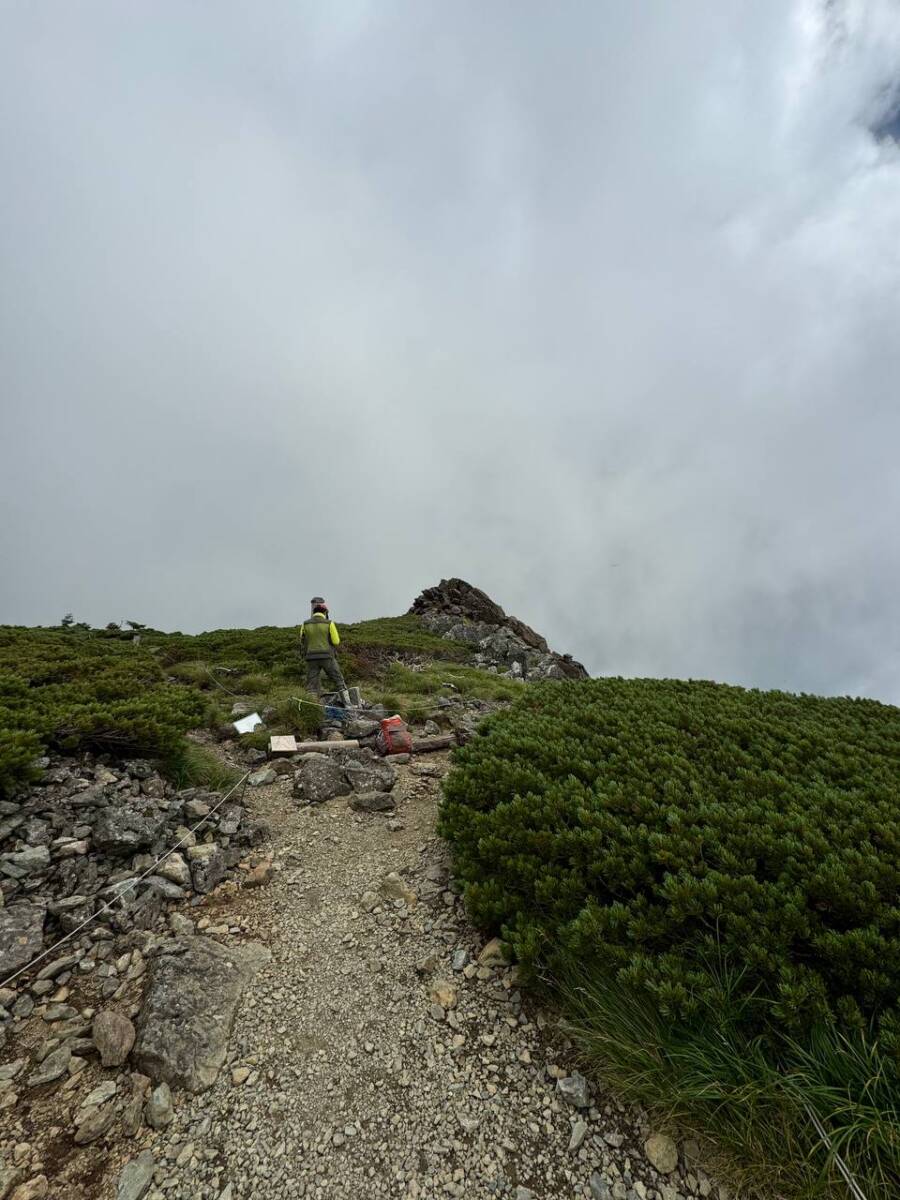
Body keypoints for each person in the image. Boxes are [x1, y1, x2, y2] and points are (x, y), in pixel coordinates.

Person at [300, 597, 351, 705]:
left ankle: (312, 706)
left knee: (311, 686)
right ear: (325, 612)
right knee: (338, 680)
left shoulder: (305, 624)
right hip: (327, 657)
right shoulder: (329, 623)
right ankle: (348, 704)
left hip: (311, 658)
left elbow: (302, 639)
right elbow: (336, 641)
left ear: (314, 612)